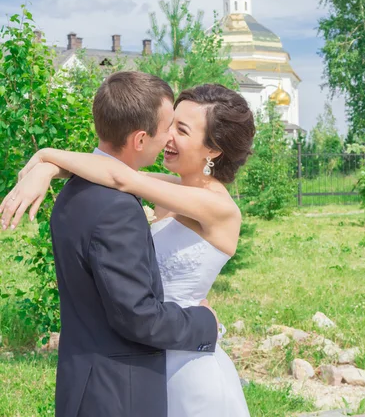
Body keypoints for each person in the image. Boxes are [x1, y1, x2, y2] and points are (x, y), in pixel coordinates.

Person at [1, 74, 255, 417]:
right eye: (170, 125)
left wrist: (45, 155)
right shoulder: (166, 186)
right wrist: (46, 170)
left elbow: (121, 176)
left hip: (187, 362)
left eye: (181, 130)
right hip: (142, 363)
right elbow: (107, 169)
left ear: (213, 149)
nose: (167, 137)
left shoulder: (218, 207)